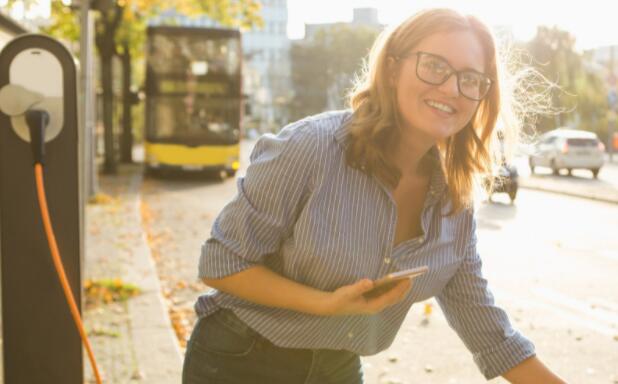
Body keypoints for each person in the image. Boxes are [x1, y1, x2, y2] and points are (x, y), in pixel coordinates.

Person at [182, 8, 567, 384]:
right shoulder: (311, 147)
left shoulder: (454, 198)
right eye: (434, 66)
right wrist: (325, 303)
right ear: (393, 67)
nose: (451, 88)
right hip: (241, 358)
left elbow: (485, 326)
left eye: (471, 78)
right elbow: (220, 263)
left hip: (337, 366)